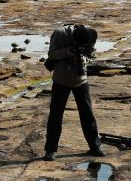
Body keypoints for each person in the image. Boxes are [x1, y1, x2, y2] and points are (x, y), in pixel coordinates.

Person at [42, 24, 104, 161]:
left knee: (87, 113)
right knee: (55, 116)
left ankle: (95, 147)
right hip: (61, 80)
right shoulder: (59, 34)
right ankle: (50, 150)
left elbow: (92, 54)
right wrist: (66, 52)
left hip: (80, 80)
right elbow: (51, 54)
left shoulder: (90, 35)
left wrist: (84, 59)